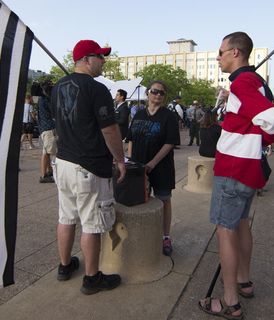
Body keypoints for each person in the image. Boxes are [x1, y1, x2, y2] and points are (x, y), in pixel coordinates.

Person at [198, 32, 274, 320]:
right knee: (242, 224)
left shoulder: (243, 81)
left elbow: (273, 120)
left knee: (226, 230)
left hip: (234, 167)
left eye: (221, 52)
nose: (218, 57)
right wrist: (254, 137)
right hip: (246, 167)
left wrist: (257, 138)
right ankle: (243, 281)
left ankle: (230, 300)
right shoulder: (254, 82)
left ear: (236, 53)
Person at [50, 39, 126, 295]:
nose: (104, 61)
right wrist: (120, 159)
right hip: (89, 166)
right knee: (92, 223)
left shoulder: (57, 87)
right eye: (101, 57)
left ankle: (64, 266)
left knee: (66, 216)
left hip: (63, 163)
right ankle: (91, 278)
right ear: (86, 59)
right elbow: (109, 129)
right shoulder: (96, 88)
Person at [127, 80, 180, 256]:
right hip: (138, 167)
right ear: (148, 93)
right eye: (155, 91)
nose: (157, 95)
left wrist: (152, 163)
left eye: (161, 93)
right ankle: (144, 234)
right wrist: (130, 162)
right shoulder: (139, 114)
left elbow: (170, 142)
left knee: (164, 200)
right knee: (140, 200)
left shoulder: (169, 116)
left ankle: (165, 236)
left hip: (161, 167)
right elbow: (131, 139)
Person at [37, 80, 57, 183]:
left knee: (47, 152)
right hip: (49, 129)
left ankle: (48, 172)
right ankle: (44, 175)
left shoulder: (41, 99)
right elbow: (53, 112)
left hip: (44, 128)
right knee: (48, 153)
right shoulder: (46, 99)